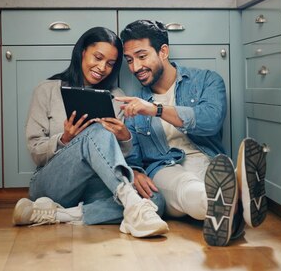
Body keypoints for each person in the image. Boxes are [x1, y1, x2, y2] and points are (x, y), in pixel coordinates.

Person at [117, 20, 268, 246]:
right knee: (185, 185)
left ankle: (230, 201)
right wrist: (136, 171)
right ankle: (238, 200)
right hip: (164, 169)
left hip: (208, 161)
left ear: (163, 51)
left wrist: (156, 109)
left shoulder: (206, 80)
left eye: (142, 56)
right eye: (129, 60)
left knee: (209, 179)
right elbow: (134, 158)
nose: (135, 67)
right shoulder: (133, 105)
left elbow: (210, 121)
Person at [11, 26, 168, 238]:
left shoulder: (116, 97)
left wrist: (124, 137)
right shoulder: (47, 90)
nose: (102, 67)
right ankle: (131, 204)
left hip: (97, 185)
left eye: (110, 64)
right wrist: (64, 139)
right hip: (52, 184)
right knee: (97, 132)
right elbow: (35, 152)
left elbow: (117, 160)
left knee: (155, 201)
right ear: (82, 51)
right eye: (98, 57)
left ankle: (61, 215)